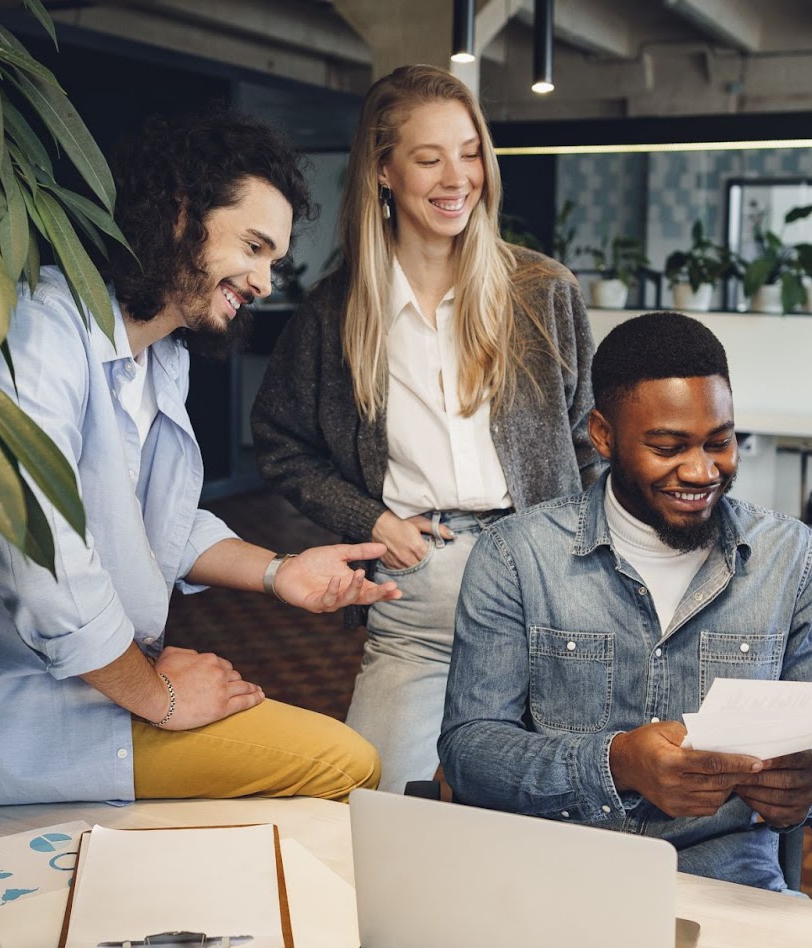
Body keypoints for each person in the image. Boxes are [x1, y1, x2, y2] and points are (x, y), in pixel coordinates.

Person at [0, 109, 400, 807]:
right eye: (253, 247)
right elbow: (43, 561)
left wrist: (281, 572)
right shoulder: (30, 328)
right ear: (178, 214)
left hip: (99, 682)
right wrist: (159, 694)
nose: (262, 281)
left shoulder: (159, 356)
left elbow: (149, 520)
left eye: (273, 262)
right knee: (343, 766)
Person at [252, 65, 602, 791]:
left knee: (552, 813)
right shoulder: (335, 312)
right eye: (429, 156)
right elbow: (281, 443)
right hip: (418, 592)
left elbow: (589, 443)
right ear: (383, 170)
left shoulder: (543, 292)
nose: (457, 177)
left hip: (543, 583)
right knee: (373, 805)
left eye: (470, 152)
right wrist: (370, 520)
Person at [438, 313, 812, 891]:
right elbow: (470, 750)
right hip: (552, 866)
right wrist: (618, 763)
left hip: (725, 873)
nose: (702, 471)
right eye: (667, 446)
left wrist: (808, 785)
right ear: (602, 435)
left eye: (720, 442)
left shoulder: (792, 559)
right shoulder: (515, 557)